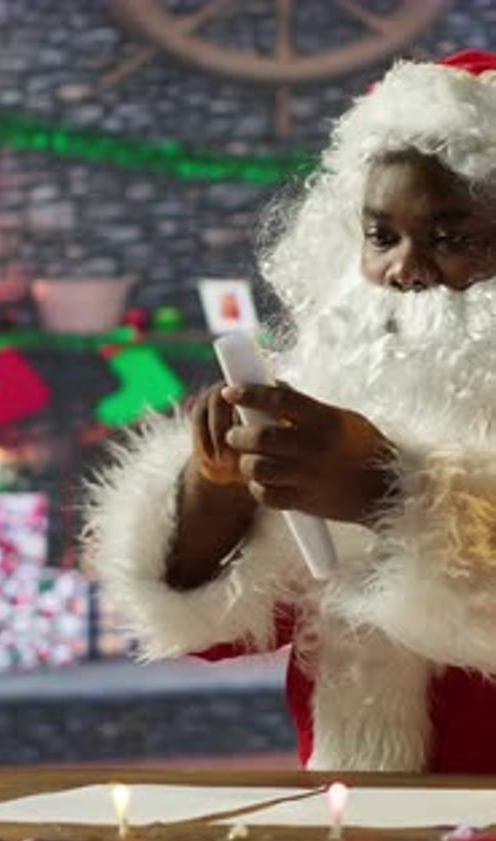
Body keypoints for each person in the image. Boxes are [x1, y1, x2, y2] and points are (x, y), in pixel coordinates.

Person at [83, 49, 496, 772]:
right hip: (362, 840)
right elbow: (234, 626)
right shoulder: (347, 400)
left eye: (451, 238)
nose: (404, 270)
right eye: (381, 235)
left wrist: (388, 492)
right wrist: (215, 495)